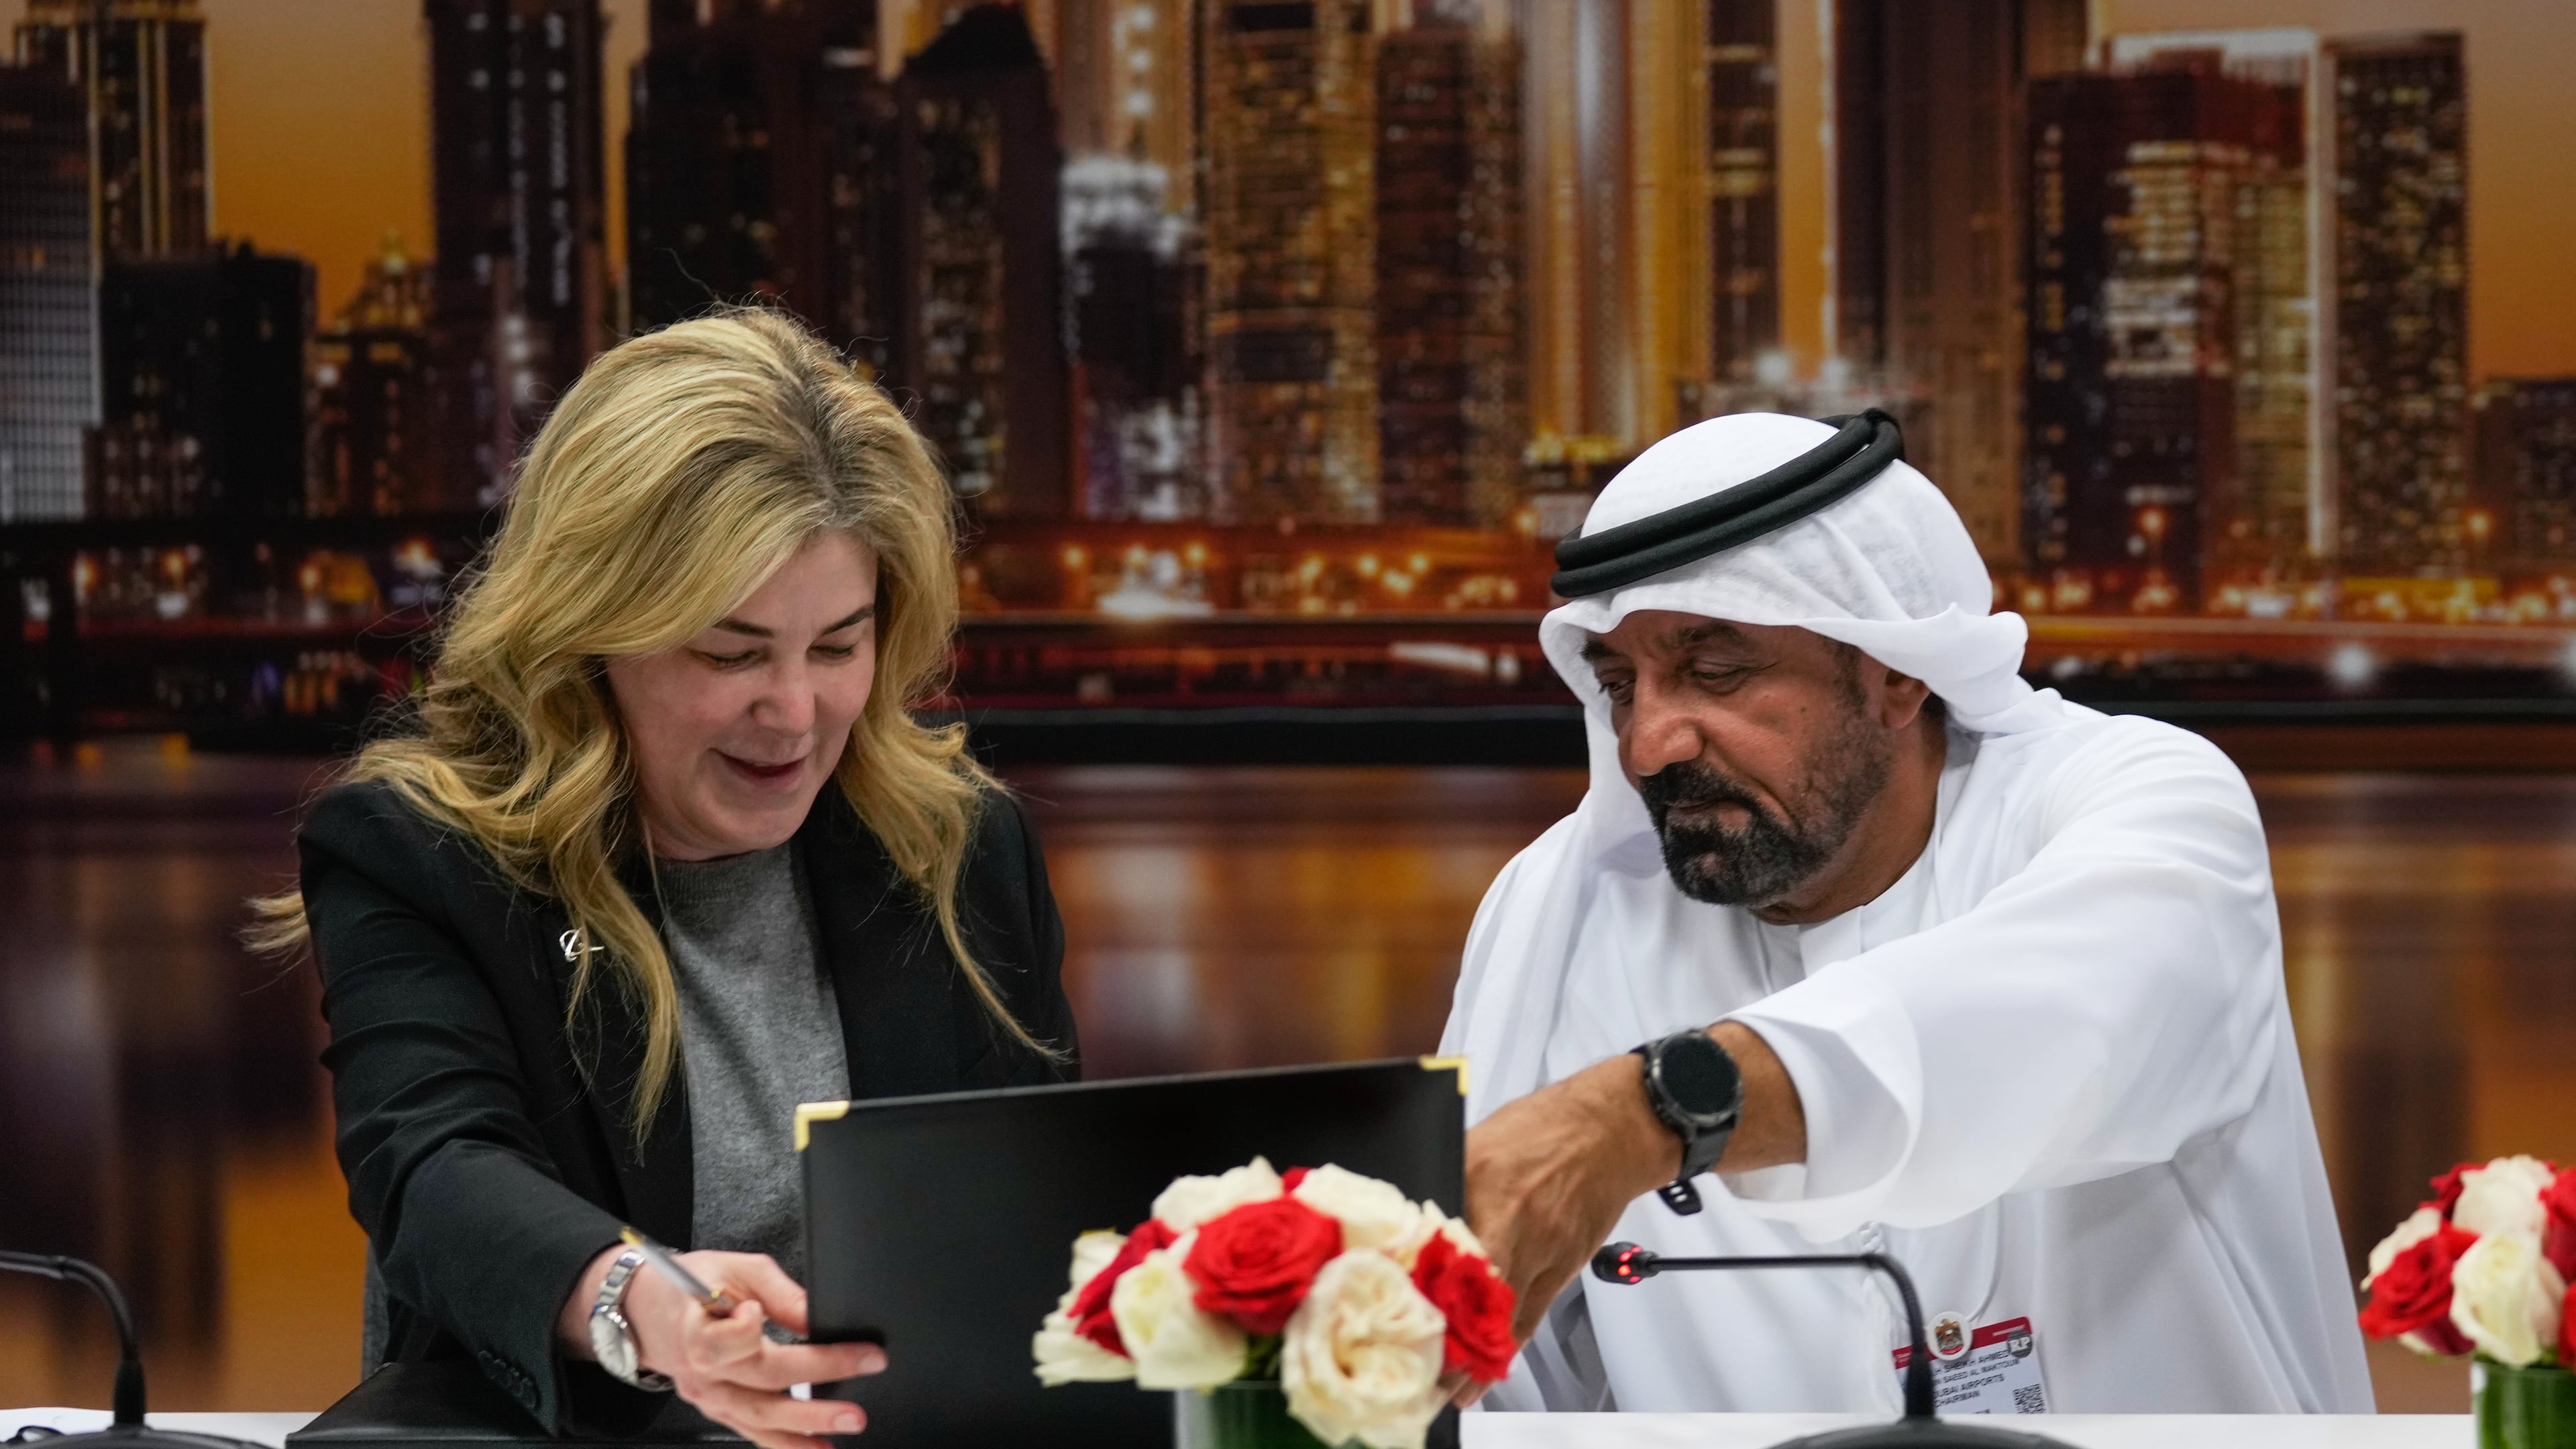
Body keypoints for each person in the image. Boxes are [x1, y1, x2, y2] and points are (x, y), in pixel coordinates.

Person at [251, 310, 1077, 1449]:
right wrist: (649, 1309)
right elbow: (435, 1170)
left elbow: (1051, 1213)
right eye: (731, 654)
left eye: (838, 646)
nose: (794, 712)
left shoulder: (961, 850)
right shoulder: (419, 851)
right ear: (590, 635)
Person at [1445, 411, 2371, 1415]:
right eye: (1622, 687)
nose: (1649, 746)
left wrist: (1638, 1119)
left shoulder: (2137, 801)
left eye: (1715, 671)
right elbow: (1492, 1378)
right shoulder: (1564, 916)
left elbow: (2059, 1021)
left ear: (1895, 671)